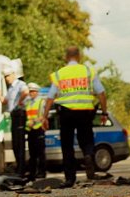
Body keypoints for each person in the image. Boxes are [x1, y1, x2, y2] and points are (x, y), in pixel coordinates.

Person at [43, 46, 108, 188]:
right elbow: (101, 93)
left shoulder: (59, 74)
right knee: (86, 138)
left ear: (66, 57)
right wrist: (104, 113)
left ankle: (69, 178)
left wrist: (44, 117)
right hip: (85, 112)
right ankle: (88, 155)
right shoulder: (88, 71)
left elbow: (50, 97)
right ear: (79, 57)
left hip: (66, 113)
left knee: (67, 146)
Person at [0, 66, 28, 176]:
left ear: (13, 74)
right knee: (15, 143)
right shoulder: (10, 88)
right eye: (5, 77)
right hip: (13, 116)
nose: (7, 78)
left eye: (8, 76)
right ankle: (18, 168)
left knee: (20, 144)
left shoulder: (20, 84)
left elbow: (25, 92)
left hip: (19, 114)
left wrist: (19, 101)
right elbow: (5, 101)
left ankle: (22, 170)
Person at [24, 82, 47, 181]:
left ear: (37, 92)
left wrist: (34, 121)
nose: (31, 93)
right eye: (30, 91)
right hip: (30, 130)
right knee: (32, 153)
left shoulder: (42, 101)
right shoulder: (28, 103)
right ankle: (32, 173)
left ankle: (42, 172)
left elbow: (44, 116)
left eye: (33, 91)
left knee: (40, 152)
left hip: (39, 129)